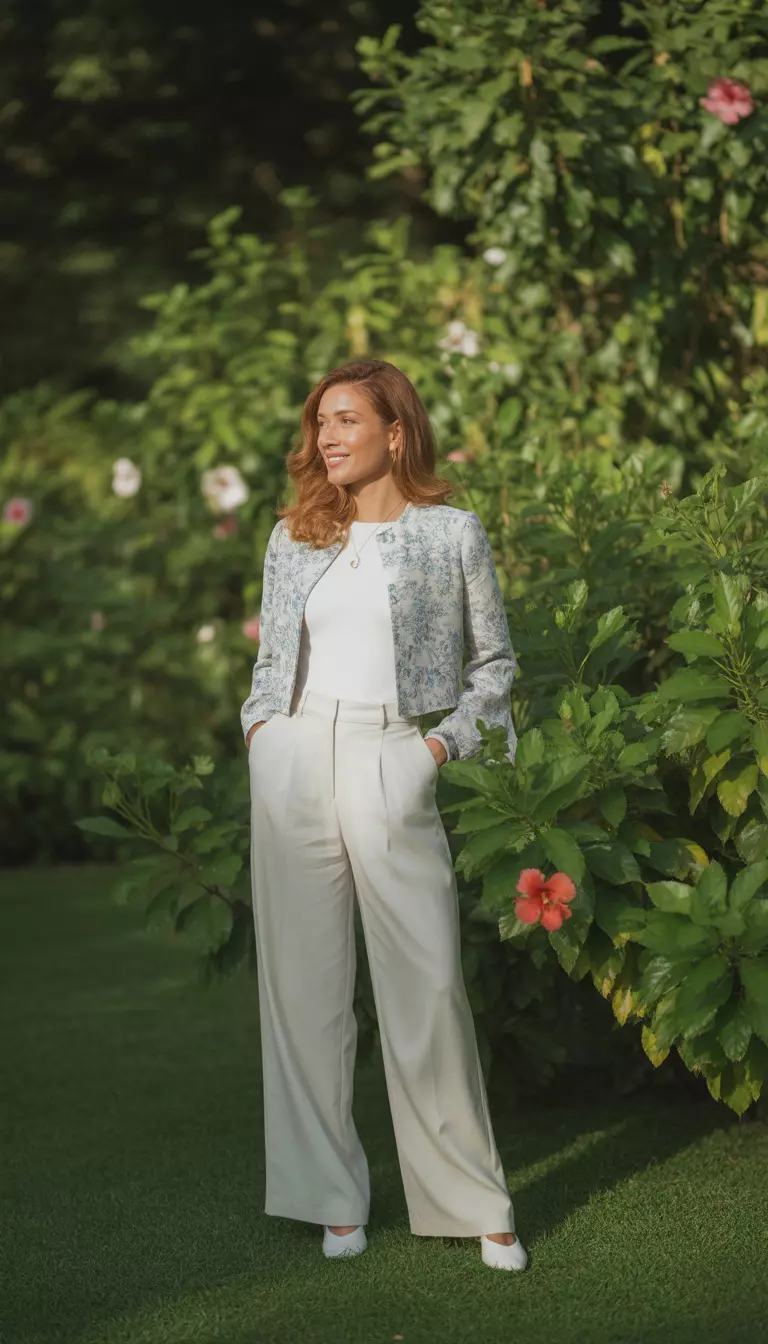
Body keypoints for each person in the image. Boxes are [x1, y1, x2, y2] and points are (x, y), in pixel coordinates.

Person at [241, 359, 528, 1271]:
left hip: (391, 752)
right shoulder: (294, 536)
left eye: (347, 420)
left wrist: (435, 751)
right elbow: (270, 663)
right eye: (320, 422)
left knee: (428, 983)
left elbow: (495, 668)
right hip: (295, 754)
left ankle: (472, 1200)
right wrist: (262, 734)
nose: (327, 437)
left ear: (395, 432)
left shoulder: (451, 533)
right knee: (303, 990)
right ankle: (330, 1196)